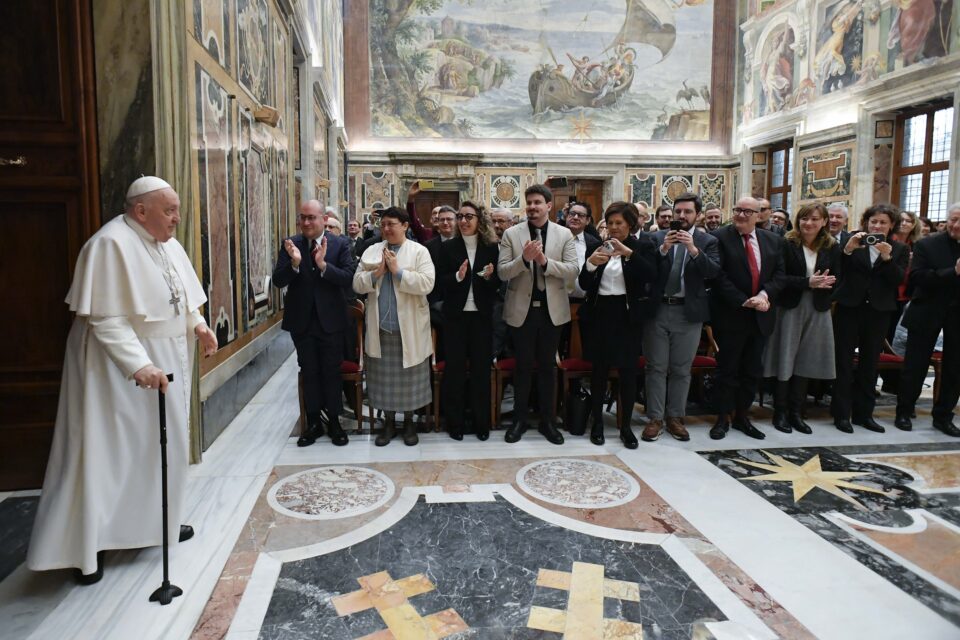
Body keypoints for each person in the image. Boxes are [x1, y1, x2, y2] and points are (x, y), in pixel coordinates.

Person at [27, 176, 219, 584]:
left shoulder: (165, 244)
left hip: (168, 362)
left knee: (159, 448)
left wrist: (199, 324)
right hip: (116, 372)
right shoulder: (109, 244)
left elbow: (179, 296)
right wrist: (138, 365)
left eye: (177, 209)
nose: (177, 219)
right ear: (140, 210)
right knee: (106, 453)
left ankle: (157, 524)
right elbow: (105, 318)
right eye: (169, 210)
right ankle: (88, 547)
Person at [498, 184, 579, 444]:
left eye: (537, 203)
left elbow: (572, 270)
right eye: (529, 202)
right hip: (521, 311)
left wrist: (544, 262)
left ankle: (548, 421)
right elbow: (502, 273)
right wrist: (523, 260)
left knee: (547, 367)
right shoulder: (512, 234)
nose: (532, 207)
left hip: (551, 311)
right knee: (522, 368)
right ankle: (519, 421)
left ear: (548, 206)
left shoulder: (564, 234)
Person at [272, 200, 355, 447]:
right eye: (303, 217)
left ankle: (335, 422)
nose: (306, 222)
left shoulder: (340, 244)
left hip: (332, 321)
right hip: (302, 322)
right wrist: (295, 264)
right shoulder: (291, 244)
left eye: (312, 218)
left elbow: (348, 278)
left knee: (331, 372)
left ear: (324, 220)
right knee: (310, 372)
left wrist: (323, 266)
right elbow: (278, 280)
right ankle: (313, 423)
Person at [578, 202, 659, 448]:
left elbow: (651, 276)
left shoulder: (643, 246)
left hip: (627, 317)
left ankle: (625, 427)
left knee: (627, 373)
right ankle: (598, 426)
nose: (613, 228)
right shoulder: (595, 245)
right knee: (599, 372)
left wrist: (628, 253)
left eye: (619, 223)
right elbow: (583, 282)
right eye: (610, 223)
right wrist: (591, 263)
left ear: (630, 225)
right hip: (599, 314)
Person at [353, 207, 435, 446]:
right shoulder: (372, 250)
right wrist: (377, 274)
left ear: (405, 226)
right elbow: (357, 284)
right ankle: (387, 423)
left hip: (409, 328)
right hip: (381, 328)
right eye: (383, 224)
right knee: (383, 381)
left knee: (409, 380)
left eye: (391, 224)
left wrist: (398, 272)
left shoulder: (419, 251)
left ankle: (409, 423)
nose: (386, 229)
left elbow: (427, 283)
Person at [642, 192, 720, 442]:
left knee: (681, 369)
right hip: (658, 310)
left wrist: (692, 249)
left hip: (689, 312)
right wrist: (664, 248)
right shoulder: (655, 238)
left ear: (697, 215)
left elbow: (713, 271)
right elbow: (646, 271)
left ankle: (675, 417)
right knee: (655, 367)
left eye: (687, 212)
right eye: (678, 212)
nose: (681, 216)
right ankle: (654, 418)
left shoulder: (708, 240)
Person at [708, 196, 785, 440]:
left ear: (758, 215)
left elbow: (780, 274)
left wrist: (763, 295)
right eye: (737, 210)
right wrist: (743, 300)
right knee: (727, 370)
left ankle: (742, 416)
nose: (741, 215)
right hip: (731, 314)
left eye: (747, 211)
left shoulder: (772, 240)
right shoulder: (720, 237)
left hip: (761, 315)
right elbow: (718, 276)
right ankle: (722, 418)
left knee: (752, 370)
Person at [762, 203, 841, 434]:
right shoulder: (787, 243)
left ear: (824, 222)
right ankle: (780, 412)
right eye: (804, 219)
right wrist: (807, 283)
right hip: (791, 306)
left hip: (819, 307)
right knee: (786, 358)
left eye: (815, 219)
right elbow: (780, 277)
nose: (809, 223)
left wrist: (826, 286)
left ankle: (797, 412)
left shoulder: (831, 246)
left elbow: (838, 277)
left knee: (807, 360)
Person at [832, 203, 909, 433]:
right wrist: (847, 250)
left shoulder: (899, 249)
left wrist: (887, 258)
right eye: (873, 221)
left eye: (883, 222)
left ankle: (864, 414)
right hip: (849, 307)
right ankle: (841, 414)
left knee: (869, 364)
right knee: (844, 362)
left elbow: (897, 280)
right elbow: (838, 270)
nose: (877, 225)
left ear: (891, 225)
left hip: (878, 311)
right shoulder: (854, 242)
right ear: (866, 222)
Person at [437, 202, 501, 440]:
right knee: (454, 371)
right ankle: (455, 424)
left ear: (479, 220)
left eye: (468, 216)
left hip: (482, 317)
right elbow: (440, 282)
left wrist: (488, 277)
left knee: (480, 371)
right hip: (455, 317)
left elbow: (499, 283)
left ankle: (480, 423)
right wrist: (457, 276)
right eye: (460, 216)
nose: (463, 221)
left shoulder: (492, 247)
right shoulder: (448, 248)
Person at [895, 203, 960, 436]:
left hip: (957, 315)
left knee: (955, 369)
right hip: (927, 310)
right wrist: (953, 272)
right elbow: (917, 279)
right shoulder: (927, 244)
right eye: (953, 219)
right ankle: (904, 411)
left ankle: (943, 416)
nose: (956, 225)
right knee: (915, 366)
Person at [565, 202, 601, 301]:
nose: (575, 217)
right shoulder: (554, 238)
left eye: (581, 215)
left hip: (585, 301)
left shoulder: (594, 243)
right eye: (572, 214)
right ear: (567, 216)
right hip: (557, 300)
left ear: (588, 220)